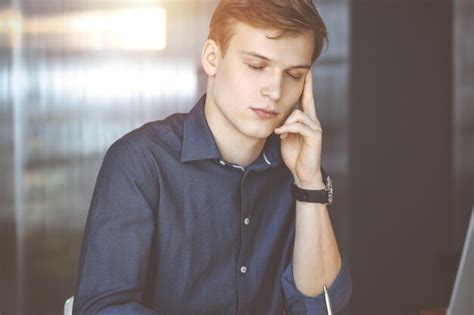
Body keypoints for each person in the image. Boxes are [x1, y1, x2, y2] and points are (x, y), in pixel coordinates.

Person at [72, 0, 352, 314]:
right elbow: (102, 308)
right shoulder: (141, 161)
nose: (275, 90)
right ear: (211, 58)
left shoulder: (299, 172)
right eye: (257, 66)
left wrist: (309, 183)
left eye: (294, 75)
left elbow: (322, 308)